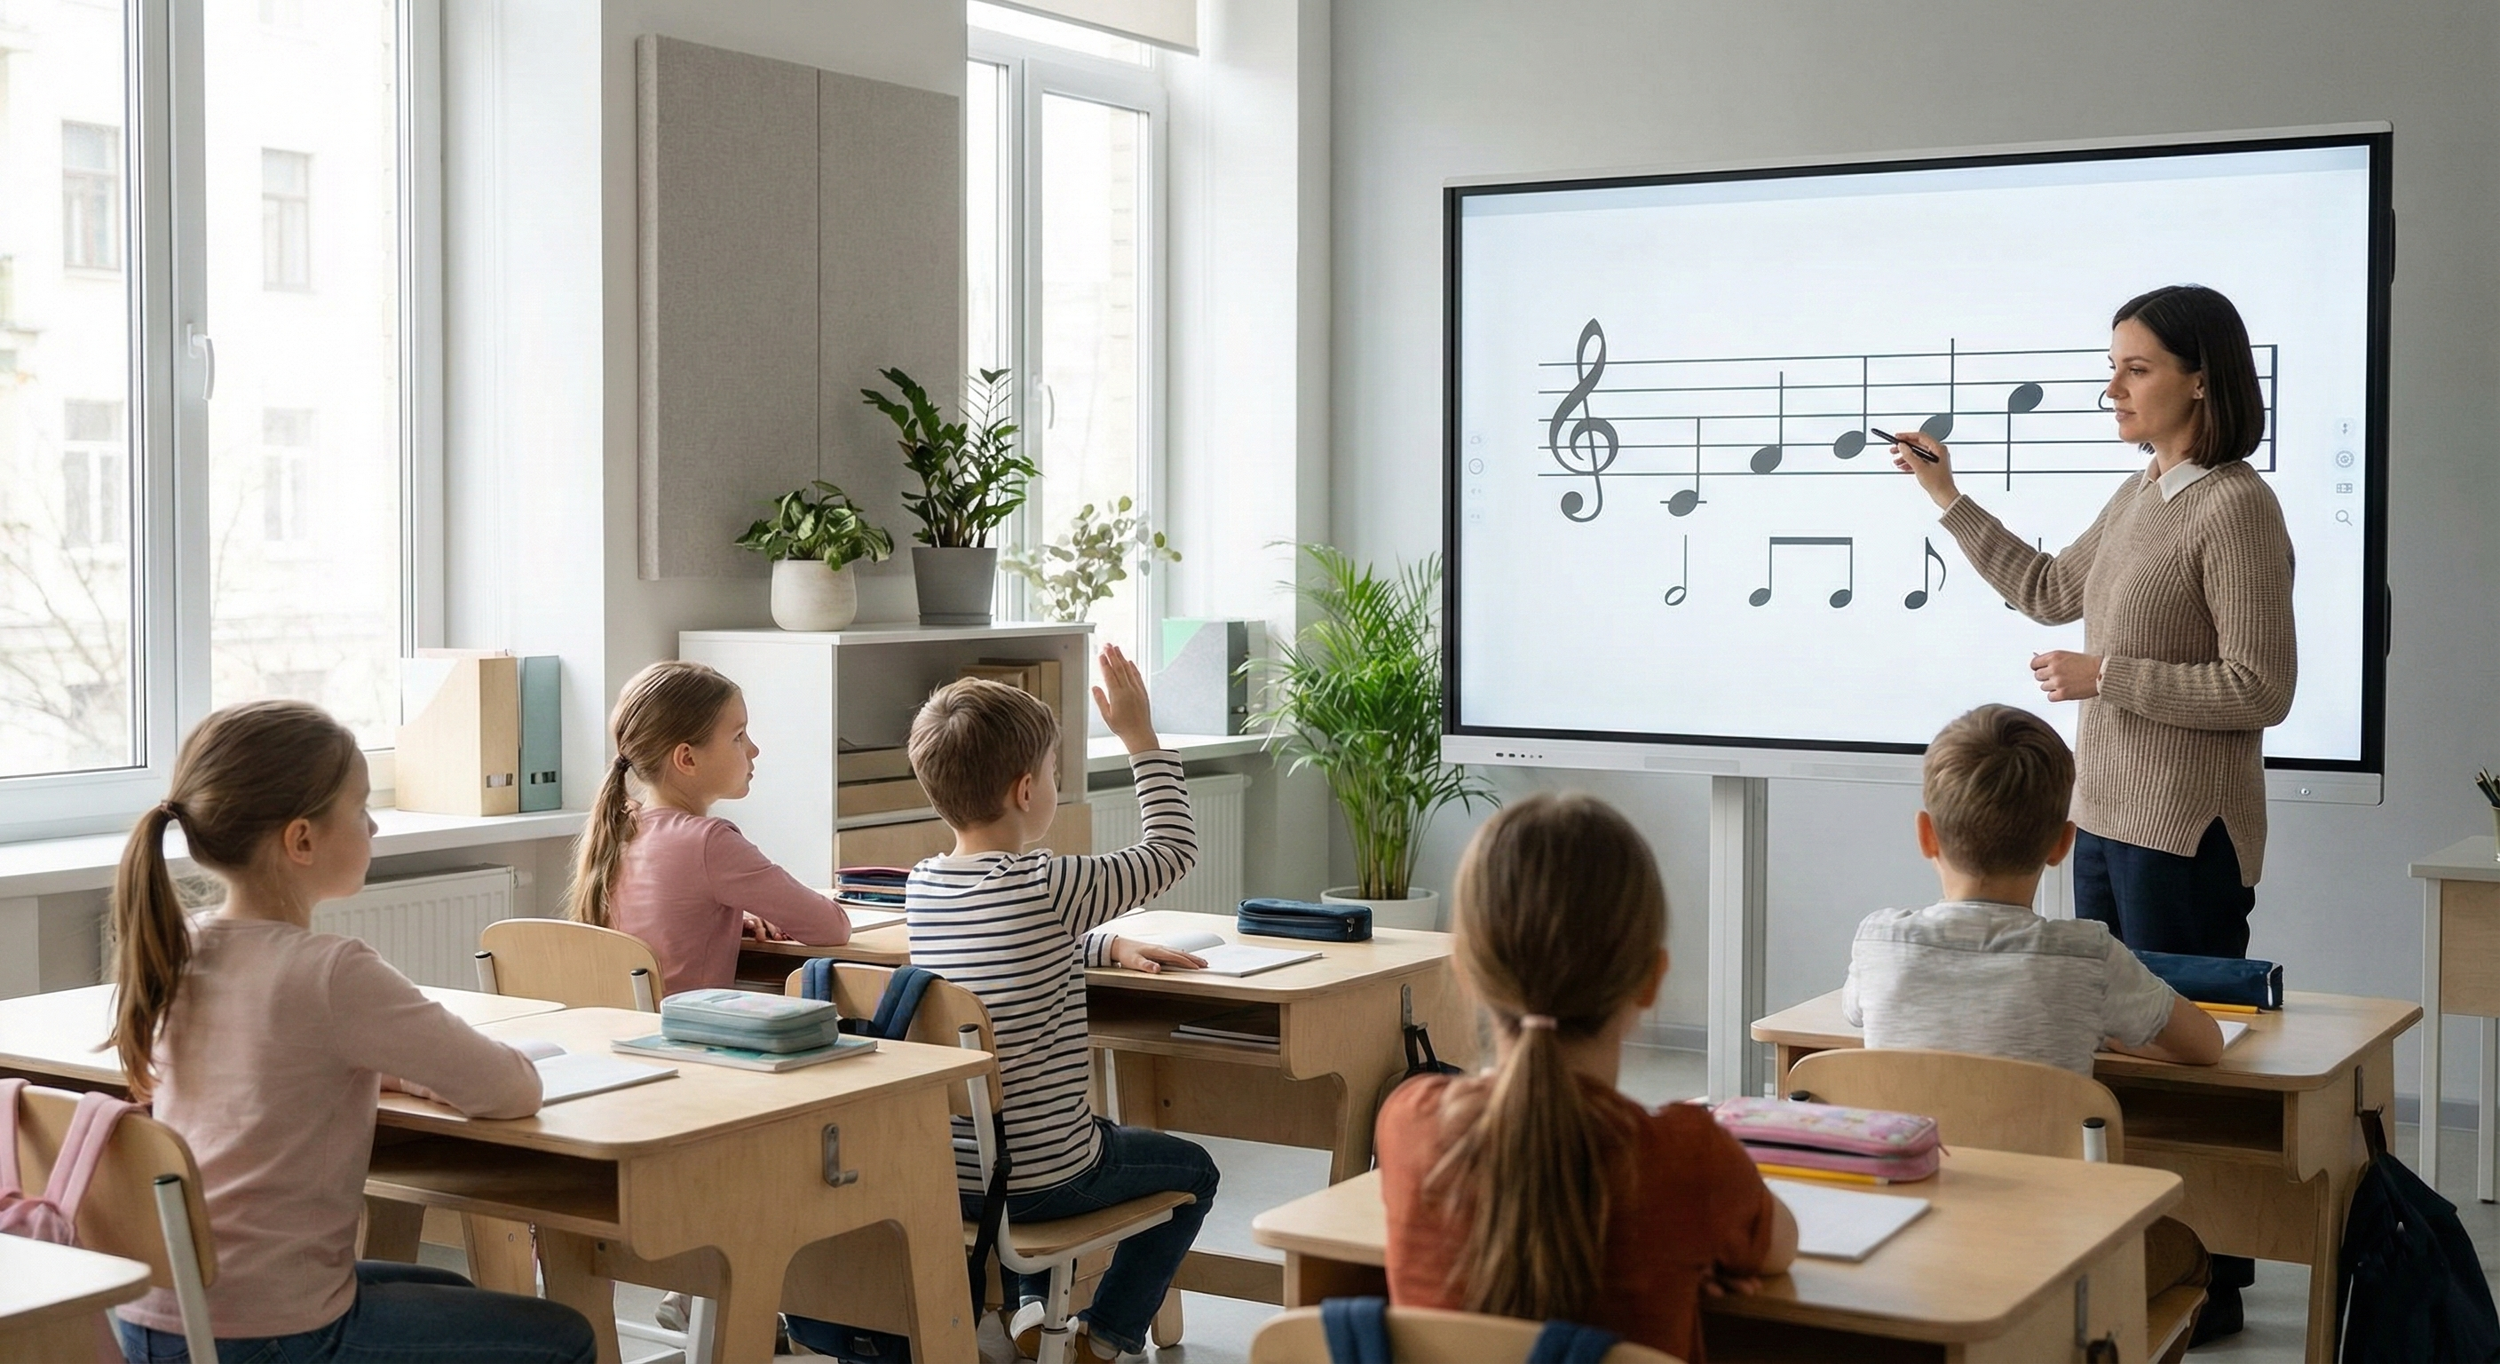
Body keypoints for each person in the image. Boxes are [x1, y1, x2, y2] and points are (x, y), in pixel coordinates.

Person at [1890, 284, 2291, 1334]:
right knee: (2117, 1054)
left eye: (2134, 367)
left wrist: (2107, 675)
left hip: (2183, 833)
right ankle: (2134, 1249)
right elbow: (2042, 587)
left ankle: (2211, 1280)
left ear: (2200, 377)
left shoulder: (2236, 504)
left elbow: (2260, 687)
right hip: (2106, 817)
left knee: (2185, 1064)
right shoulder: (2140, 492)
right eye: (2110, 366)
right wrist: (1947, 496)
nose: (2110, 386)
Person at [108, 700, 596, 1364]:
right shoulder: (331, 974)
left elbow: (278, 1066)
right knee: (563, 1339)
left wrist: (385, 1070)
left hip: (155, 1317)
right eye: (361, 808)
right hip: (269, 1332)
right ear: (301, 840)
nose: (372, 826)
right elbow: (511, 1089)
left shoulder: (179, 949)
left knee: (446, 1287)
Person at [1842, 703, 2221, 1358]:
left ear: (1925, 835)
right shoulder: (2087, 957)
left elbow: (1856, 1013)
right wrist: (2110, 1027)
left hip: (1902, 1243)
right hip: (2049, 1254)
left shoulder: (1880, 940)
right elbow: (2205, 1047)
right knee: (2188, 1253)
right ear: (2062, 842)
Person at [1375, 792, 1796, 1363]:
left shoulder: (1411, 1123)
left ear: (1467, 972)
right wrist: (1690, 1249)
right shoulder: (1688, 1159)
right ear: (1650, 981)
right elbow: (1778, 1250)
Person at [902, 644, 1212, 1362]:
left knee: (1055, 1134)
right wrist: (1140, 737)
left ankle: (1028, 1311)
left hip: (954, 1178)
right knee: (1195, 1171)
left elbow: (997, 961)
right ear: (1025, 791)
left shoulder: (924, 888)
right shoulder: (1050, 884)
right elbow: (1173, 850)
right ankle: (1104, 1339)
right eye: (1051, 772)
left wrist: (1103, 948)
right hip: (1043, 1179)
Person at [566, 659, 851, 996]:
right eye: (738, 736)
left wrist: (726, 918)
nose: (753, 749)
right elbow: (833, 927)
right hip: (688, 1040)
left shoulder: (622, 828)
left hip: (623, 1037)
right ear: (687, 759)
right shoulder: (709, 842)